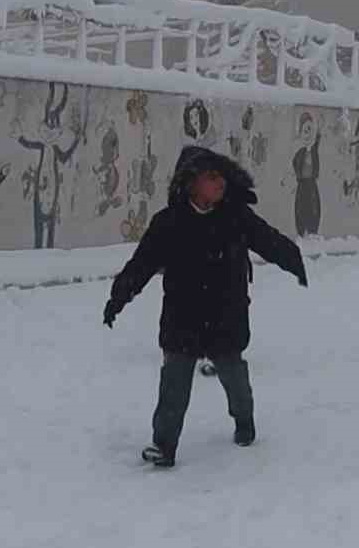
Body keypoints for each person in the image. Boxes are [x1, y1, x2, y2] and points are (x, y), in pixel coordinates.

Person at [103, 145, 308, 468]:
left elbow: (269, 240)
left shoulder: (237, 217)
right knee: (173, 382)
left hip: (225, 315)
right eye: (212, 177)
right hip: (182, 317)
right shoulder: (168, 223)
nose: (221, 183)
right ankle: (164, 445)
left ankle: (244, 421)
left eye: (222, 177)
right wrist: (118, 298)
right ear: (191, 182)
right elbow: (141, 265)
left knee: (233, 377)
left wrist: (295, 263)